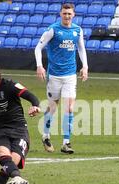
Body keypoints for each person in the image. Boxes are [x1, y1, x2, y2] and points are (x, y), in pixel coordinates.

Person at [34, 3, 88, 154]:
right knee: (52, 108)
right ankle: (45, 135)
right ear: (60, 14)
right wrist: (39, 66)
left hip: (70, 75)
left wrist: (85, 67)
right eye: (64, 13)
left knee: (69, 108)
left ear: (74, 15)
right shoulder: (53, 30)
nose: (67, 16)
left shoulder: (78, 30)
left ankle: (66, 143)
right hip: (54, 76)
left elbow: (81, 48)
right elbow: (38, 48)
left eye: (69, 14)